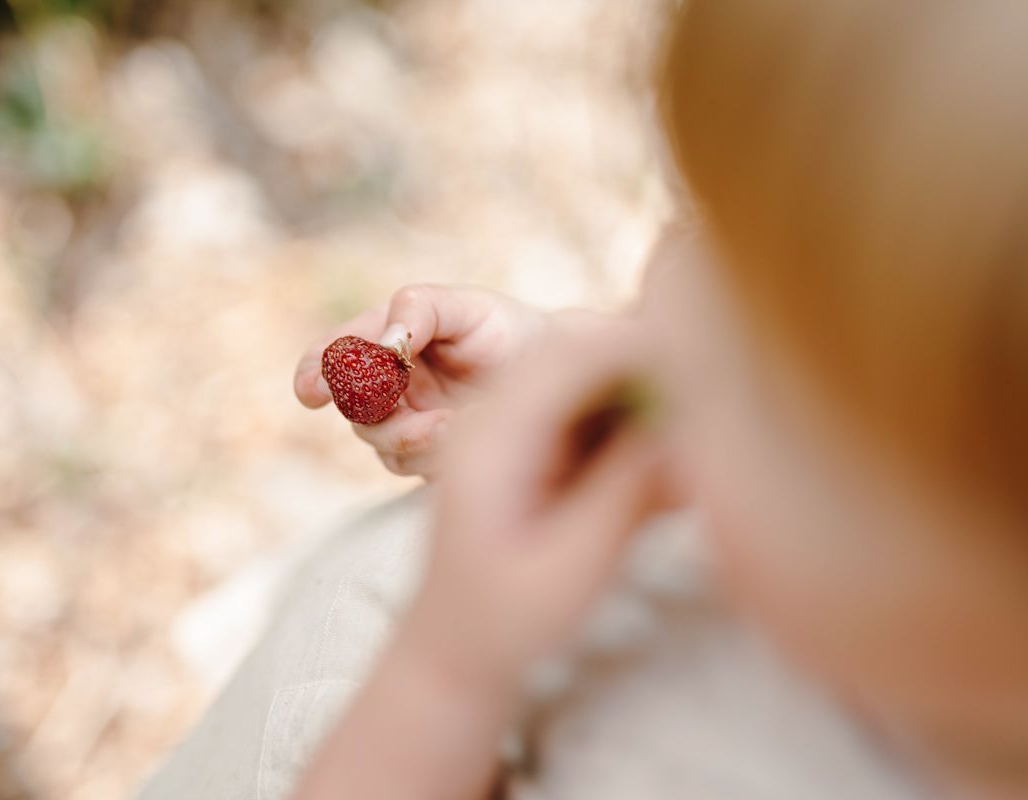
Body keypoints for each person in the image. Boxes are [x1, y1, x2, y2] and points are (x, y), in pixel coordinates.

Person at [141, 1, 1028, 797]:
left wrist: (445, 672)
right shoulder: (896, 584)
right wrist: (615, 392)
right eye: (699, 224)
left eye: (772, 361)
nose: (661, 304)